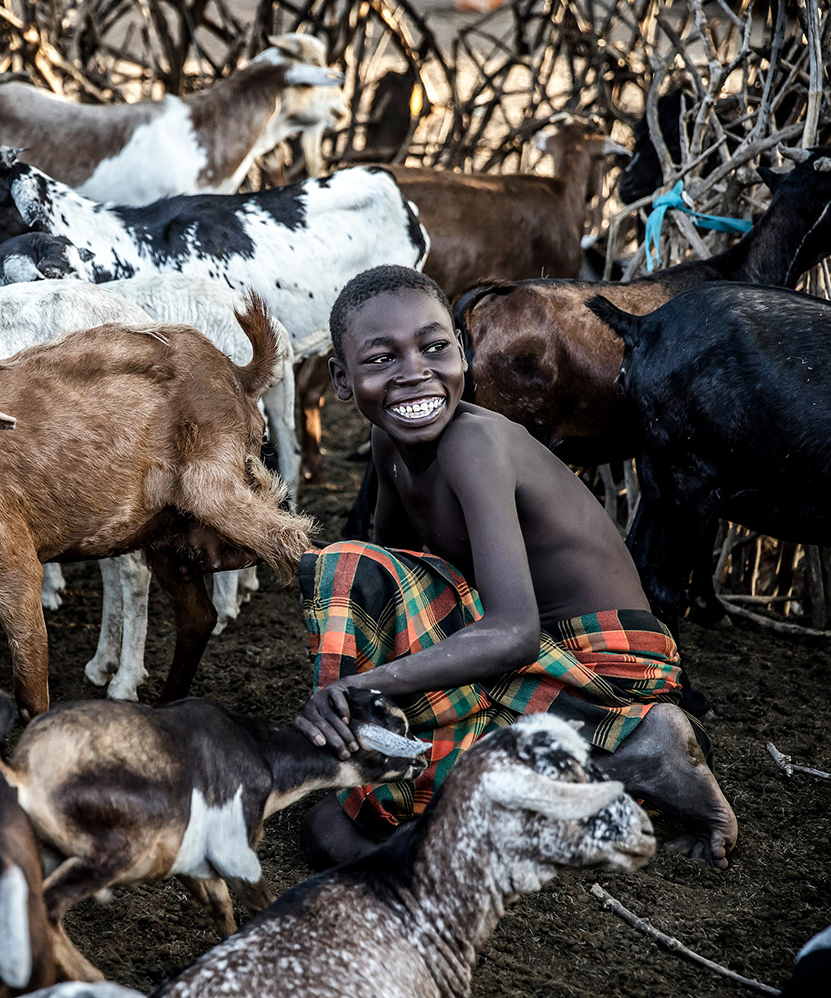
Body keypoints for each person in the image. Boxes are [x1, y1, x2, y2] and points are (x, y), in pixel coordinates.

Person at [294, 264, 736, 870]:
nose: (414, 372)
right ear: (342, 382)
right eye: (381, 359)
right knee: (332, 826)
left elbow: (513, 631)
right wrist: (370, 692)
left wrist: (356, 690)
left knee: (342, 571)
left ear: (463, 353)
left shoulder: (472, 444)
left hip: (607, 665)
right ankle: (603, 764)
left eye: (434, 347)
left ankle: (632, 740)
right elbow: (400, 584)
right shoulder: (389, 445)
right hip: (527, 658)